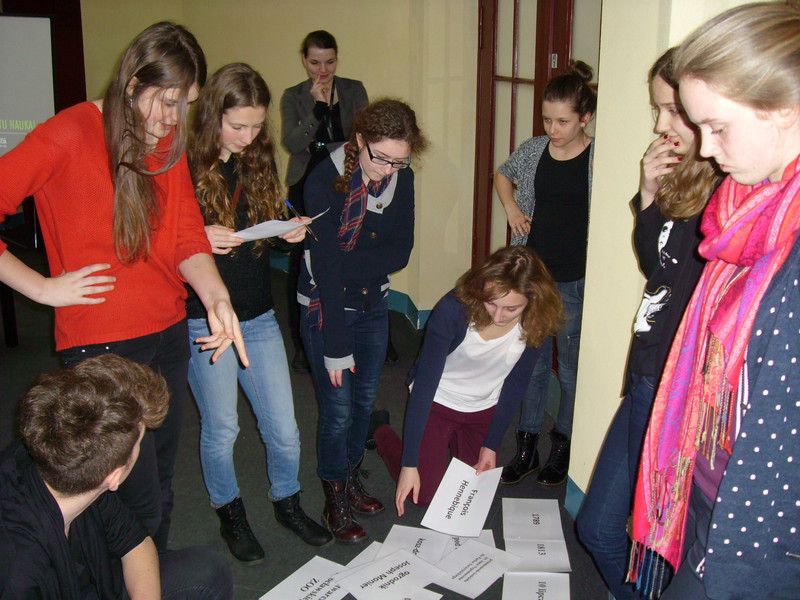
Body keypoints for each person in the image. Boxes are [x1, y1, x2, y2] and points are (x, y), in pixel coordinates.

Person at [0, 22, 247, 550]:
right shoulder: (68, 132)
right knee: (127, 498)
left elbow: (185, 234)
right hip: (103, 344)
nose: (173, 119)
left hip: (167, 332)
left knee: (161, 485)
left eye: (184, 105)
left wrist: (217, 296)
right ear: (133, 83)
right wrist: (40, 288)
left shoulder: (167, 140)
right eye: (167, 102)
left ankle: (148, 579)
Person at [628, 4, 800, 599]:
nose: (705, 146)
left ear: (784, 109)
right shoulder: (746, 208)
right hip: (708, 482)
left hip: (759, 532)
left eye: (718, 127)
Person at [575, 49, 720, 600]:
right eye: (657, 109)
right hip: (644, 377)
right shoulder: (688, 176)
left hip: (675, 394)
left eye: (672, 111)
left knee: (656, 546)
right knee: (597, 528)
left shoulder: (729, 189)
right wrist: (649, 196)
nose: (660, 125)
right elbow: (655, 266)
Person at [186, 63, 331, 562]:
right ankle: (230, 513)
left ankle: (287, 504)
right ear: (212, 115)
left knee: (284, 429)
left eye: (255, 125)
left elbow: (271, 223)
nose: (248, 137)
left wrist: (289, 231)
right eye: (237, 126)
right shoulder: (182, 167)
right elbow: (156, 243)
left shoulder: (258, 160)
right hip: (203, 319)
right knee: (222, 427)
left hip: (258, 315)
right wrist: (196, 238)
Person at [298, 98, 427, 542]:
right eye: (381, 157)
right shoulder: (324, 178)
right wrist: (335, 345)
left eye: (399, 160)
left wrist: (341, 261)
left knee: (362, 404)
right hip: (327, 310)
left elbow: (401, 251)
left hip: (374, 306)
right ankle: (334, 495)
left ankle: (351, 476)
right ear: (359, 141)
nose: (388, 170)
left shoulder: (401, 177)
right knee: (336, 412)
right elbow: (325, 272)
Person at [0, 354, 233, 600]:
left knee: (208, 570)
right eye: (139, 442)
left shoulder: (67, 460)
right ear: (115, 477)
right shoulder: (18, 572)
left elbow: (135, 543)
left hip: (95, 578)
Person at [368, 246, 562, 514]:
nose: (498, 316)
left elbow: (516, 385)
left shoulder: (538, 321)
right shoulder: (454, 309)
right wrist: (409, 464)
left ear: (533, 300)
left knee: (471, 494)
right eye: (491, 302)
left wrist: (491, 444)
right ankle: (380, 430)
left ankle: (444, 447)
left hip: (483, 409)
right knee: (423, 496)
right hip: (438, 402)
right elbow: (424, 386)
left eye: (511, 308)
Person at [495, 61, 596, 486]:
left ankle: (563, 446)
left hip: (575, 278)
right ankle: (527, 448)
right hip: (534, 278)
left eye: (562, 121)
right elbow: (504, 174)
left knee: (570, 370)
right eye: (547, 119)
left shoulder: (597, 157)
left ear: (585, 118)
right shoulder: (536, 149)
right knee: (532, 366)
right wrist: (512, 208)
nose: (552, 129)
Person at [281, 30, 369, 374]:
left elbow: (363, 137)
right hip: (306, 179)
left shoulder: (353, 89)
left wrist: (326, 143)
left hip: (345, 177)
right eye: (315, 63)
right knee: (303, 258)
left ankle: (362, 330)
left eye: (329, 62)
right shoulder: (293, 95)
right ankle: (303, 342)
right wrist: (317, 109)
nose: (323, 70)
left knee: (352, 249)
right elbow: (292, 143)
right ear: (304, 61)